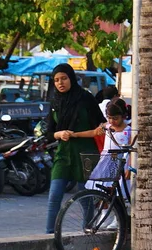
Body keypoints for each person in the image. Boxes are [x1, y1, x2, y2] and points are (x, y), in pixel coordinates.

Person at [45, 63, 106, 234]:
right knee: (54, 196)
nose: (60, 83)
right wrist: (60, 134)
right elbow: (49, 132)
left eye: (64, 78)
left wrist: (80, 133)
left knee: (85, 197)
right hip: (63, 153)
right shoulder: (55, 101)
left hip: (86, 152)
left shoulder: (85, 98)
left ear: (71, 78)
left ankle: (87, 230)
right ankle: (50, 234)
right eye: (56, 80)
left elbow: (101, 125)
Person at [86, 98, 132, 229]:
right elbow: (93, 132)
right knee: (103, 188)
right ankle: (105, 214)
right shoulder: (106, 126)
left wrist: (129, 166)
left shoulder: (128, 131)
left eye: (115, 118)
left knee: (118, 191)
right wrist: (75, 135)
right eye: (109, 117)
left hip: (121, 163)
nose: (112, 121)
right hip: (106, 162)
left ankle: (119, 218)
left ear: (123, 116)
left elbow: (131, 150)